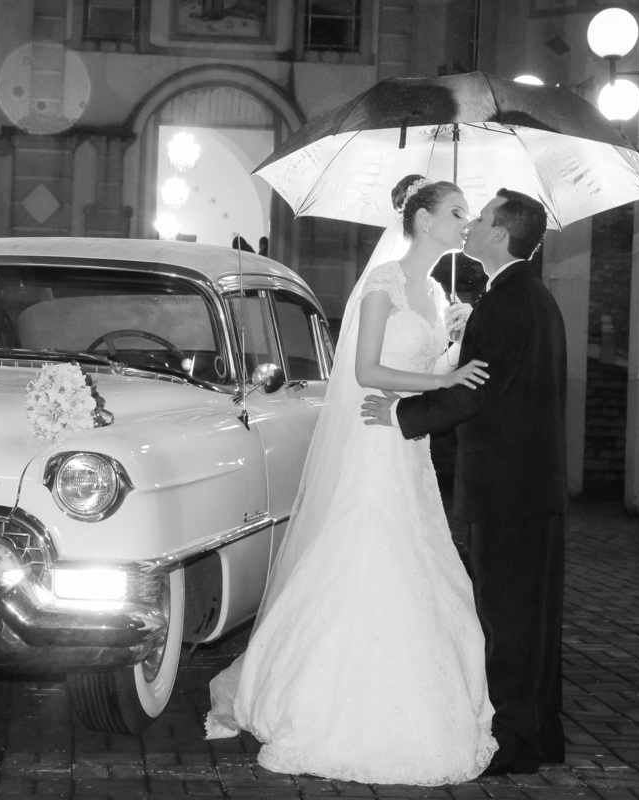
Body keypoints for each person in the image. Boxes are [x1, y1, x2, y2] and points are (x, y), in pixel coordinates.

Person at [206, 175, 497, 784]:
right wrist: (443, 380)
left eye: (468, 213)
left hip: (408, 445)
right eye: (455, 211)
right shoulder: (383, 287)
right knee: (366, 551)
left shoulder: (439, 297)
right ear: (420, 220)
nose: (465, 222)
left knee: (419, 560)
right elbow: (365, 369)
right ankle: (317, 699)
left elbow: (425, 367)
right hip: (374, 439)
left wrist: (451, 341)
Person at [362, 188, 567, 776]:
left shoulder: (509, 302)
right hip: (532, 488)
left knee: (509, 622)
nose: (471, 225)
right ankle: (541, 736)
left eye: (479, 218)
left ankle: (519, 744)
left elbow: (481, 388)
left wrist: (401, 416)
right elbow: (488, 374)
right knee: (531, 621)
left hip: (509, 491)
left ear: (499, 235)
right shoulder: (520, 297)